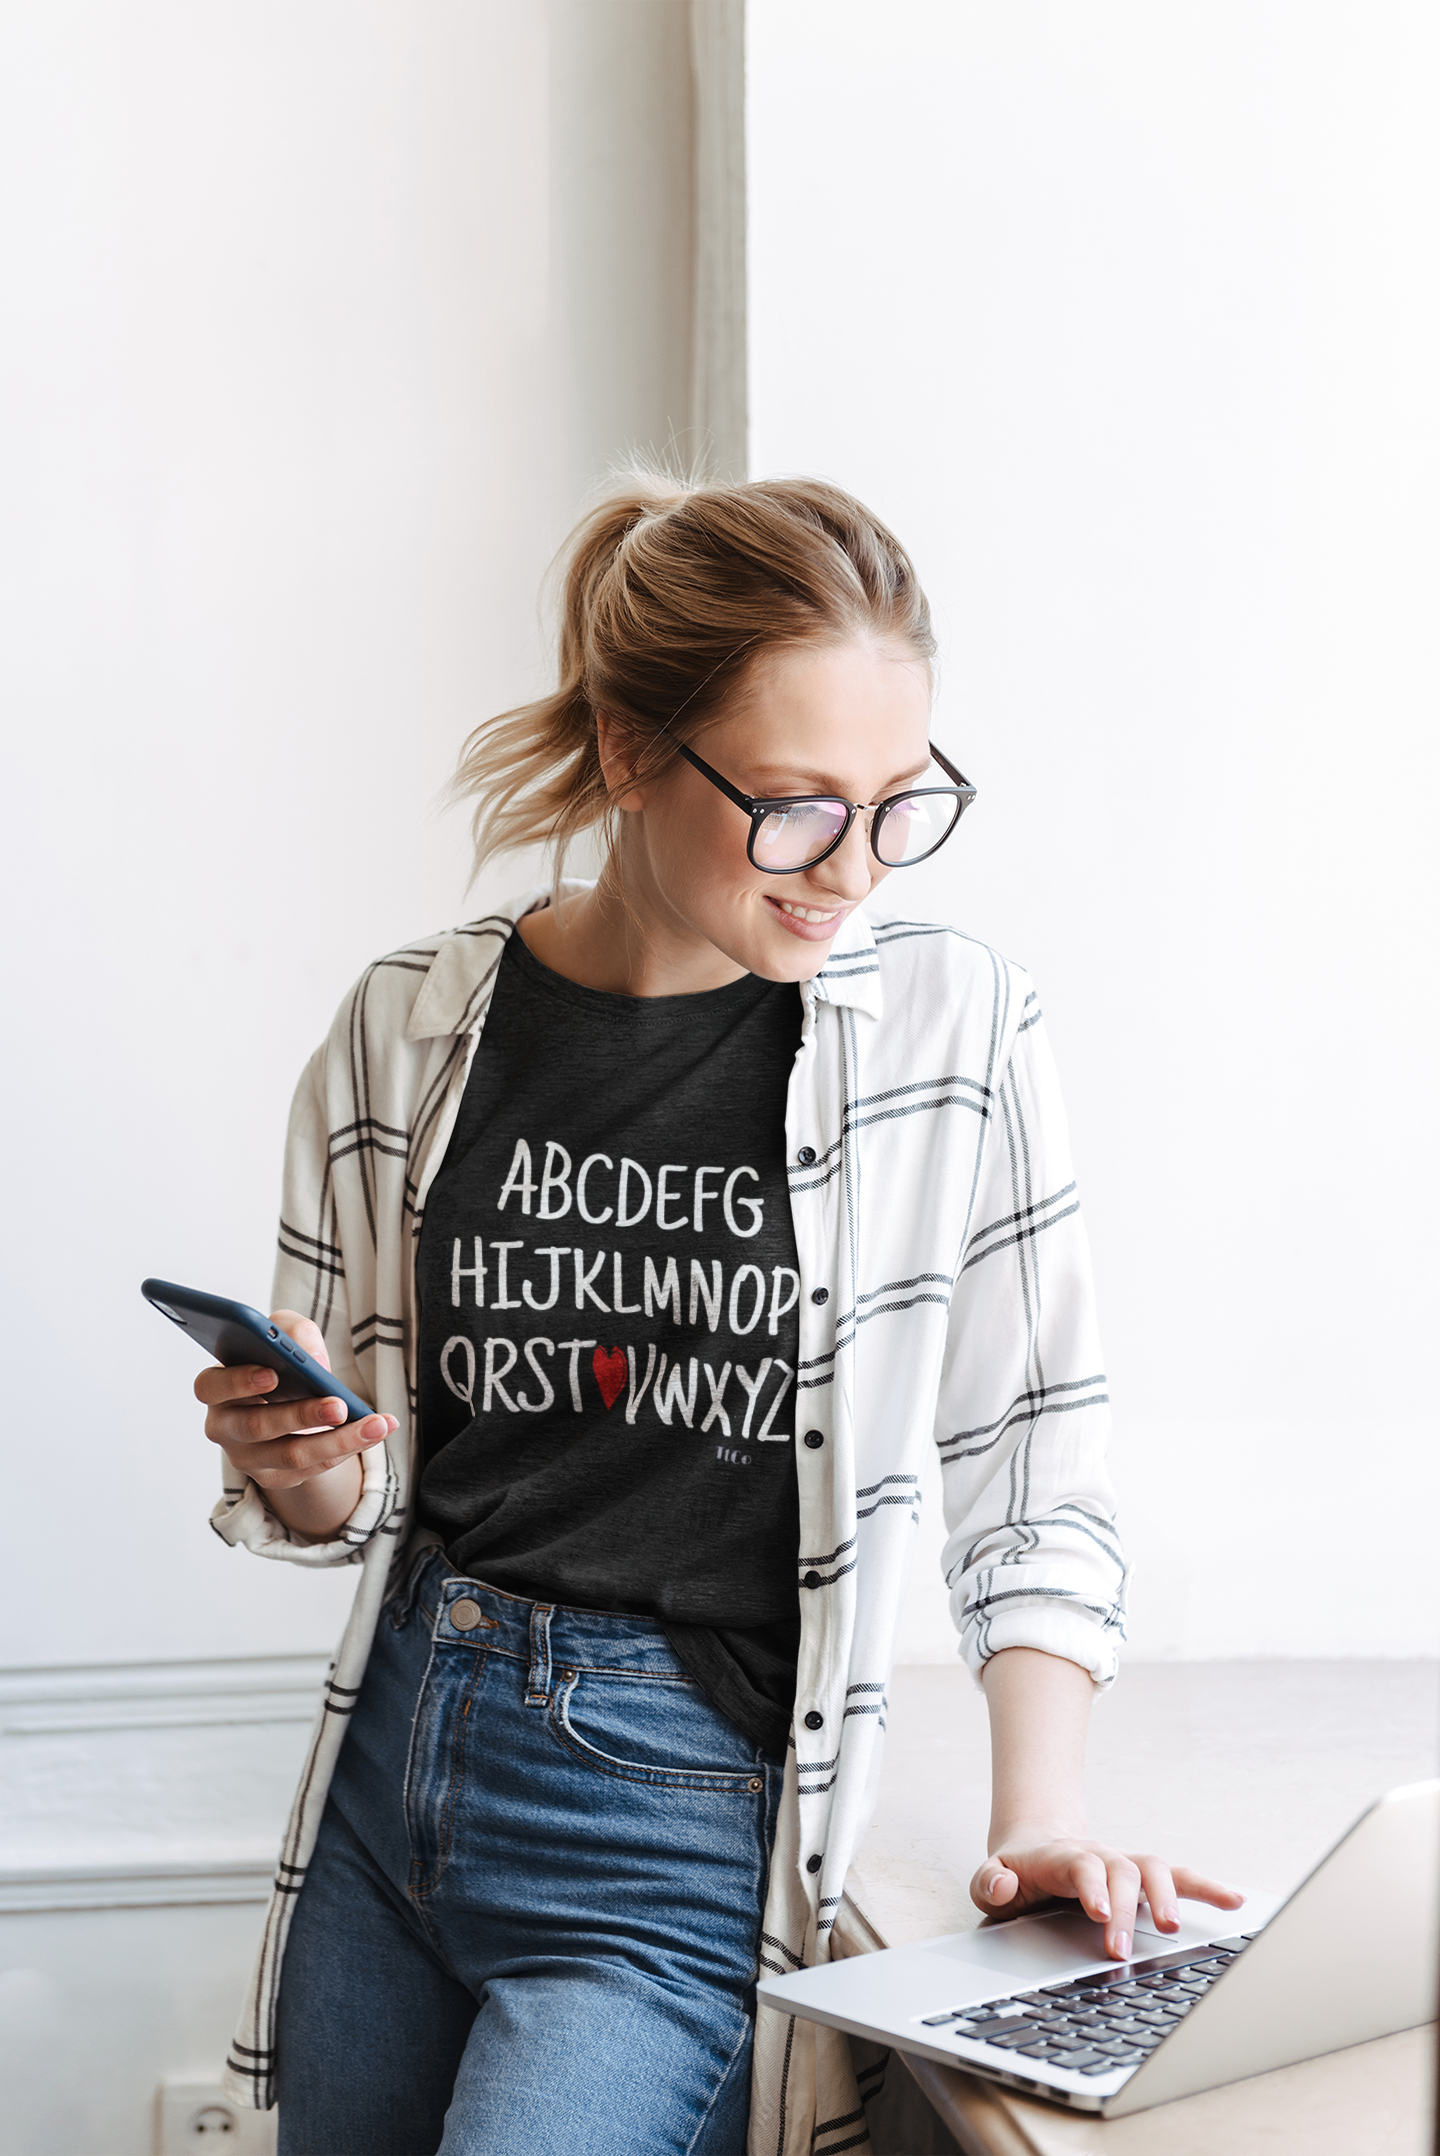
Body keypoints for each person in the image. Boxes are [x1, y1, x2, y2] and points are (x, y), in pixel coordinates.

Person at [197, 472, 1240, 2156]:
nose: (854, 870)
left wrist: (1036, 1814)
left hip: (671, 1830)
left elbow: (1034, 1465)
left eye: (900, 802)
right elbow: (355, 1497)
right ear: (628, 752)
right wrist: (302, 1463)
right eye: (795, 806)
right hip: (400, 1770)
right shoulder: (411, 1023)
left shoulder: (947, 1035)